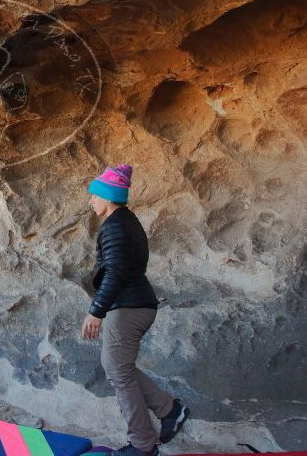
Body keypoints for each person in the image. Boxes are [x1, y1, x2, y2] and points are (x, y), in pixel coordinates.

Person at [81, 164, 190, 456]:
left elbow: (115, 272)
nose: (91, 201)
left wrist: (96, 311)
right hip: (136, 304)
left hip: (128, 307)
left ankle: (143, 446)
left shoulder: (115, 225)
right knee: (119, 368)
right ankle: (170, 411)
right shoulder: (127, 221)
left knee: (117, 369)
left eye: (94, 195)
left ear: (108, 197)